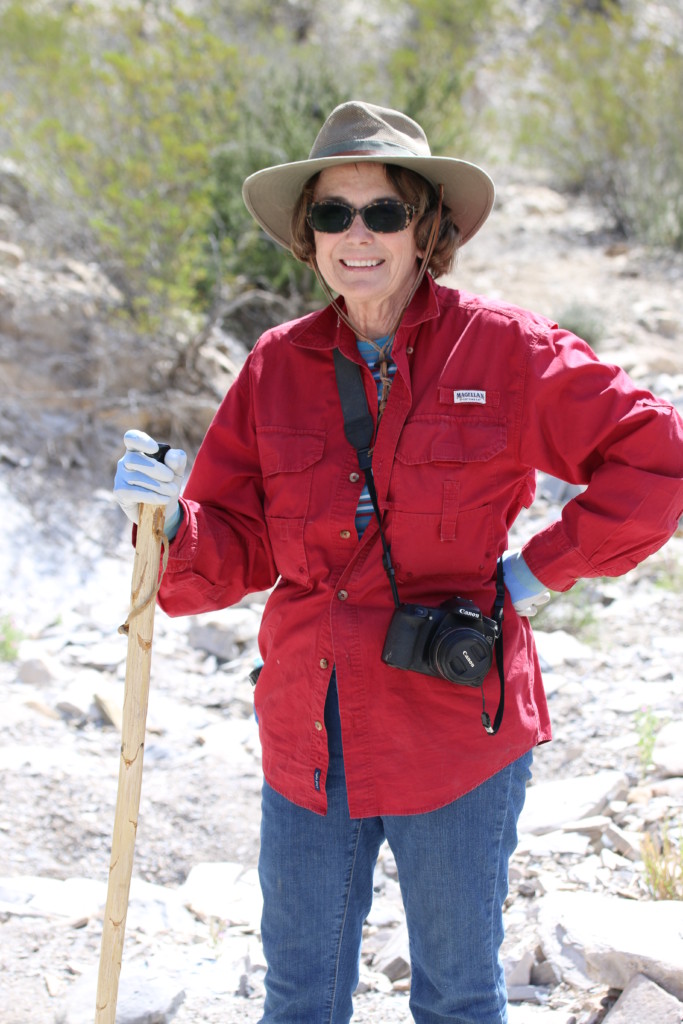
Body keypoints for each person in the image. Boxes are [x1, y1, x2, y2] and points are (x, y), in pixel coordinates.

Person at [113, 101, 683, 1024]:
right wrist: (165, 522)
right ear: (310, 237)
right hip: (308, 731)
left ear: (427, 228)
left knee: (456, 997)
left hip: (455, 732)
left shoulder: (505, 350)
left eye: (384, 211)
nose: (358, 235)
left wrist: (533, 575)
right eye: (334, 214)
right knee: (299, 999)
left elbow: (657, 457)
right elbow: (233, 543)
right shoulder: (275, 366)